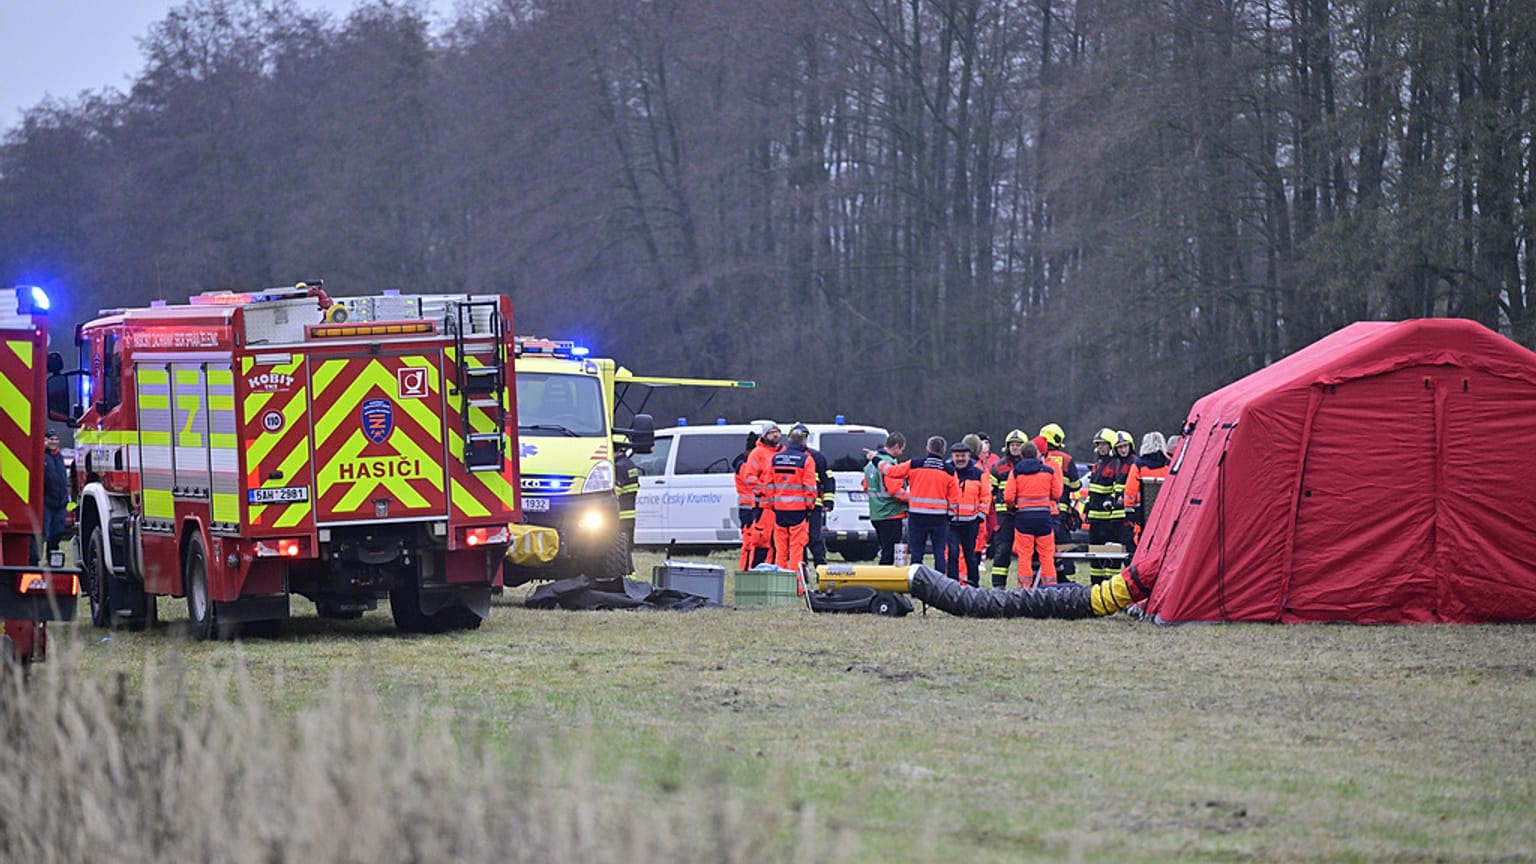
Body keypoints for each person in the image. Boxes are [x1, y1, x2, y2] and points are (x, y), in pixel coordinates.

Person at [883, 436, 960, 572]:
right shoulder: (949, 470)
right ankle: (939, 585)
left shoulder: (914, 464)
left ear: (927, 449)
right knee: (939, 554)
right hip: (939, 517)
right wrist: (950, 516)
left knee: (917, 554)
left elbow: (891, 472)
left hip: (917, 515)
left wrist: (876, 459)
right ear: (943, 451)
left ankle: (915, 583)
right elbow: (955, 498)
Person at [1004, 441, 1065, 587]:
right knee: (1047, 556)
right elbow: (1057, 493)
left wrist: (1012, 506)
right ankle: (1050, 589)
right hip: (1044, 518)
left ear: (1022, 454)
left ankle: (1025, 589)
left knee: (1025, 556)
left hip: (1023, 519)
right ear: (1037, 454)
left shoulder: (1016, 472)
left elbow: (1008, 497)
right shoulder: (1048, 471)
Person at [768, 425, 818, 572]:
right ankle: (798, 586)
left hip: (779, 510)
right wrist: (809, 506)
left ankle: (780, 585)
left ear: (789, 440)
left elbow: (769, 484)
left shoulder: (775, 458)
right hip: (798, 511)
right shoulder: (806, 460)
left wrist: (773, 504)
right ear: (803, 442)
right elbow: (810, 487)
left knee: (780, 551)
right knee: (796, 550)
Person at [1037, 422, 1082, 579]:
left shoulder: (1037, 457)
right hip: (1060, 512)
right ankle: (1066, 575)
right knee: (1064, 546)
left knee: (1043, 546)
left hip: (1041, 511)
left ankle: (1043, 576)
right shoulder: (1066, 459)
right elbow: (1076, 486)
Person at [987, 429, 1028, 588]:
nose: (1015, 448)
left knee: (1025, 553)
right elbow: (990, 491)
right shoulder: (998, 467)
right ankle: (998, 586)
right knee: (1002, 551)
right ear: (1007, 446)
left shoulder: (1028, 466)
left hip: (1023, 514)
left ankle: (1026, 586)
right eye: (1013, 445)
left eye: (1018, 445)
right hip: (1004, 517)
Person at [1084, 428, 1124, 585]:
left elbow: (1116, 489)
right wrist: (1087, 507)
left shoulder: (1116, 465)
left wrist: (1110, 502)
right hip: (1095, 519)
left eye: (1104, 444)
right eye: (1099, 444)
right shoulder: (1098, 464)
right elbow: (1093, 490)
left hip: (1109, 520)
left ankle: (1110, 585)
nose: (1101, 447)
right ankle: (1095, 585)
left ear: (1111, 445)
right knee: (1095, 555)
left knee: (1111, 556)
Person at [863, 432, 908, 565]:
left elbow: (865, 486)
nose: (901, 453)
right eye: (901, 449)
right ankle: (884, 582)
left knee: (885, 549)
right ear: (896, 446)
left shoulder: (870, 465)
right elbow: (895, 491)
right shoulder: (888, 465)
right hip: (891, 514)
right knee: (889, 554)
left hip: (876, 514)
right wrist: (913, 498)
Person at [945, 440, 986, 586]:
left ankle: (974, 586)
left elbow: (985, 497)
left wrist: (980, 515)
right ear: (952, 456)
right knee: (953, 554)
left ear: (969, 456)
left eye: (963, 455)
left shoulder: (979, 474)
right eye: (957, 456)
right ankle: (952, 585)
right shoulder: (947, 472)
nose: (960, 458)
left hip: (971, 523)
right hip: (952, 523)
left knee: (971, 556)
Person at [793, 423, 834, 567]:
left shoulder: (817, 457)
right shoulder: (787, 457)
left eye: (804, 437)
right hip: (794, 506)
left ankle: (821, 570)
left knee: (815, 539)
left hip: (814, 505)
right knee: (798, 541)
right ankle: (802, 572)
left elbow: (828, 479)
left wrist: (828, 502)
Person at [743, 423, 784, 567]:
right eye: (771, 432)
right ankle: (755, 571)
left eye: (777, 432)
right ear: (764, 435)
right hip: (763, 506)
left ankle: (774, 571)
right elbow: (749, 477)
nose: (775, 435)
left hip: (781, 506)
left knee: (778, 543)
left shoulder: (783, 452)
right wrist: (764, 491)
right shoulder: (757, 453)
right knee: (761, 541)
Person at [1124, 431, 1169, 549]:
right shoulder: (1170, 464)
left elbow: (1131, 490)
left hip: (1143, 516)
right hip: (1166, 513)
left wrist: (1129, 511)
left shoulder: (1139, 465)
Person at [733, 431, 764, 570]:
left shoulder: (742, 463)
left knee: (753, 544)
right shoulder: (745, 466)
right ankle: (746, 572)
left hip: (751, 508)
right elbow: (753, 481)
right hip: (749, 509)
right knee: (750, 544)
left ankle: (749, 570)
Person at [612, 434, 641, 578]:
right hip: (630, 516)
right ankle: (631, 578)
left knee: (619, 552)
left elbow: (614, 494)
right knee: (626, 549)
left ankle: (626, 579)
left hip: (619, 517)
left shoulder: (618, 467)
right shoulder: (630, 465)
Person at [42, 429, 68, 556]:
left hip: (60, 502)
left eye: (56, 439)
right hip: (46, 502)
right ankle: (35, 559)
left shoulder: (60, 457)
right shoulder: (41, 456)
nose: (54, 442)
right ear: (45, 440)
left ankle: (52, 557)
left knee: (57, 532)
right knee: (43, 532)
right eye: (51, 439)